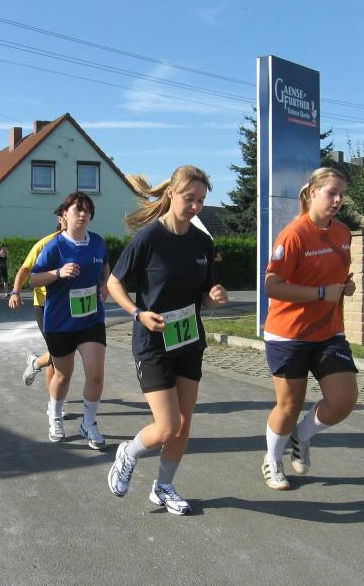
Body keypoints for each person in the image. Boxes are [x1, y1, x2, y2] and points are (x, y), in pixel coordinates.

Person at [106, 165, 228, 516]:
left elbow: (204, 297)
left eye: (201, 200)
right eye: (190, 198)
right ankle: (128, 452)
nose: (195, 206)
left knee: (183, 425)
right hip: (153, 342)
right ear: (171, 193)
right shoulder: (148, 239)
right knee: (167, 425)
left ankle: (163, 487)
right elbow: (114, 283)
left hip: (188, 340)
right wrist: (137, 313)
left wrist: (214, 297)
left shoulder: (203, 242)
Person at [260, 167, 358, 491]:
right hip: (289, 333)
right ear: (313, 192)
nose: (338, 199)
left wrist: (346, 287)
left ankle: (301, 436)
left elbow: (337, 277)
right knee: (289, 405)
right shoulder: (294, 234)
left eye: (342, 194)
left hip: (329, 331)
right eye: (332, 192)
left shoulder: (343, 232)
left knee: (343, 400)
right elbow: (272, 285)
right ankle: (273, 459)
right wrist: (319, 293)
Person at [30, 193, 110, 449]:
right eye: (78, 210)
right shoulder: (55, 246)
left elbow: (105, 267)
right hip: (61, 321)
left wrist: (106, 285)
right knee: (63, 375)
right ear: (65, 214)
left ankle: (89, 422)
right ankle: (55, 415)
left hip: (91, 319)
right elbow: (33, 279)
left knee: (95, 374)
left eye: (88, 210)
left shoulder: (98, 242)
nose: (83, 214)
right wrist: (58, 272)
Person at [9, 208, 70, 419]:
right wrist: (15, 291)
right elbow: (25, 269)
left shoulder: (84, 243)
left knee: (63, 353)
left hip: (70, 307)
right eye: (69, 214)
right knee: (57, 355)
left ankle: (35, 363)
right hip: (46, 306)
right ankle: (54, 405)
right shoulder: (46, 244)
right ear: (61, 218)